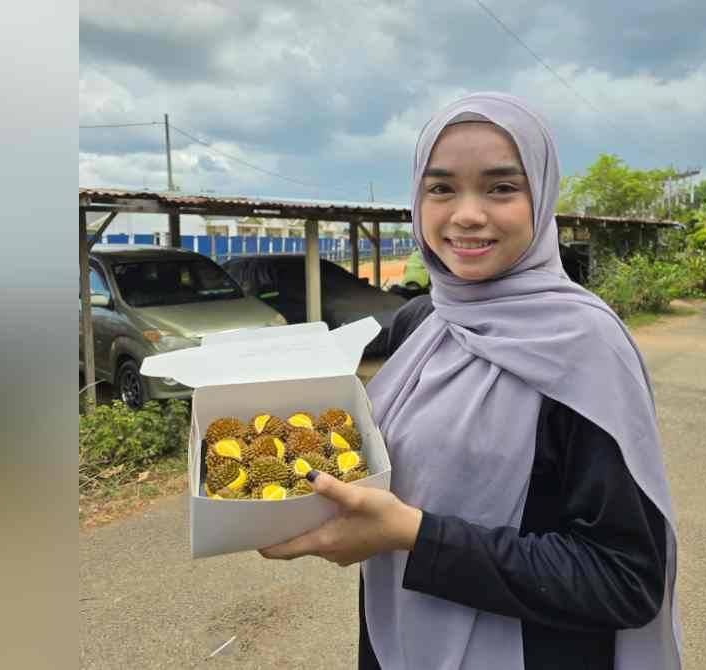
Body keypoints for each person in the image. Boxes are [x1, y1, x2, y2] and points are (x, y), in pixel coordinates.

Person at [259, 92, 682, 670]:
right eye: (441, 188)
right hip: (399, 641)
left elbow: (624, 579)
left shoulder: (585, 348)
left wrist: (413, 535)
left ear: (542, 194)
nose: (466, 214)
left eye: (501, 187)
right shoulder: (421, 322)